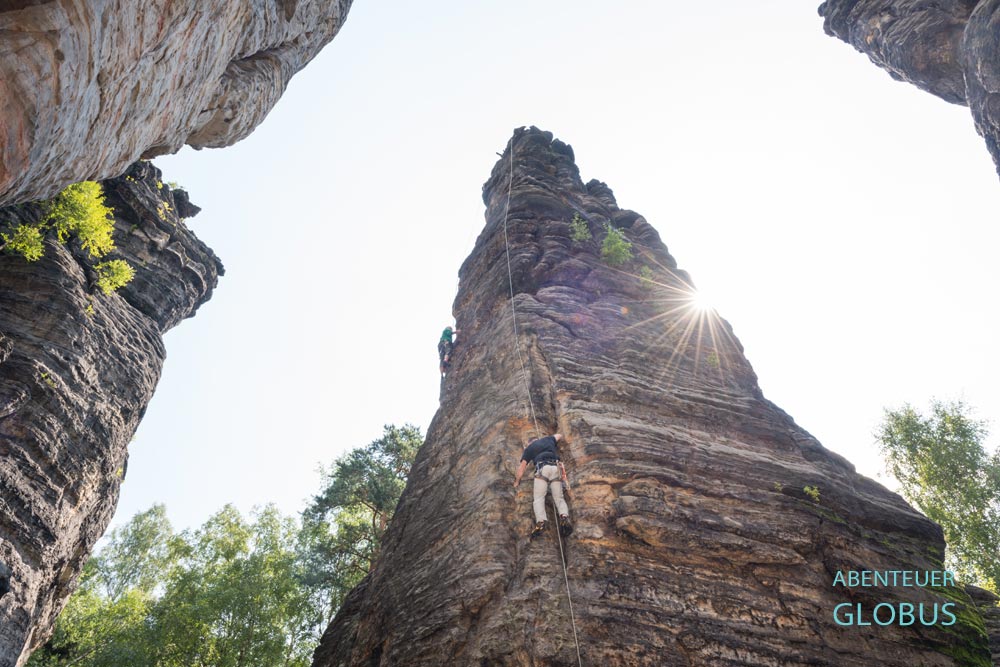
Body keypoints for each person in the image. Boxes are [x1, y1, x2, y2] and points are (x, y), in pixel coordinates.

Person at [513, 433, 573, 538]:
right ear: (537, 439)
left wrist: (517, 481)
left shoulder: (529, 449)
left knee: (539, 498)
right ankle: (564, 517)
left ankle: (541, 522)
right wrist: (552, 439)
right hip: (556, 468)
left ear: (530, 443)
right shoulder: (548, 439)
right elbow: (559, 435)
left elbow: (521, 468)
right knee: (559, 498)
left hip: (543, 469)